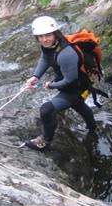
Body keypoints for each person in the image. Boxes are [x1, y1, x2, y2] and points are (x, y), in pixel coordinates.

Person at [25, 16, 97, 151]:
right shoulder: (51, 44)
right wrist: (36, 76)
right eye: (40, 36)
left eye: (47, 35)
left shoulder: (66, 53)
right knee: (78, 105)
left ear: (55, 33)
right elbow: (45, 58)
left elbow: (69, 80)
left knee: (47, 110)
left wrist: (51, 85)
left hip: (76, 87)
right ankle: (92, 128)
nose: (44, 39)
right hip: (72, 83)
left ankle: (45, 141)